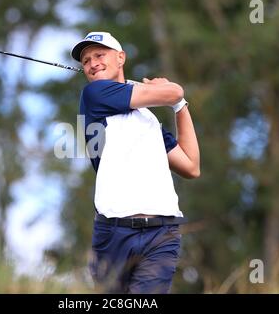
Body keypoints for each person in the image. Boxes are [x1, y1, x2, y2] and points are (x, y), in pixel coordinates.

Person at [71, 32, 200, 294]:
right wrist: (168, 92)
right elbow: (173, 90)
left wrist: (180, 107)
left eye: (99, 55)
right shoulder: (95, 94)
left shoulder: (148, 119)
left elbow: (190, 166)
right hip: (113, 232)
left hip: (161, 233)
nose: (92, 63)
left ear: (121, 58)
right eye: (86, 61)